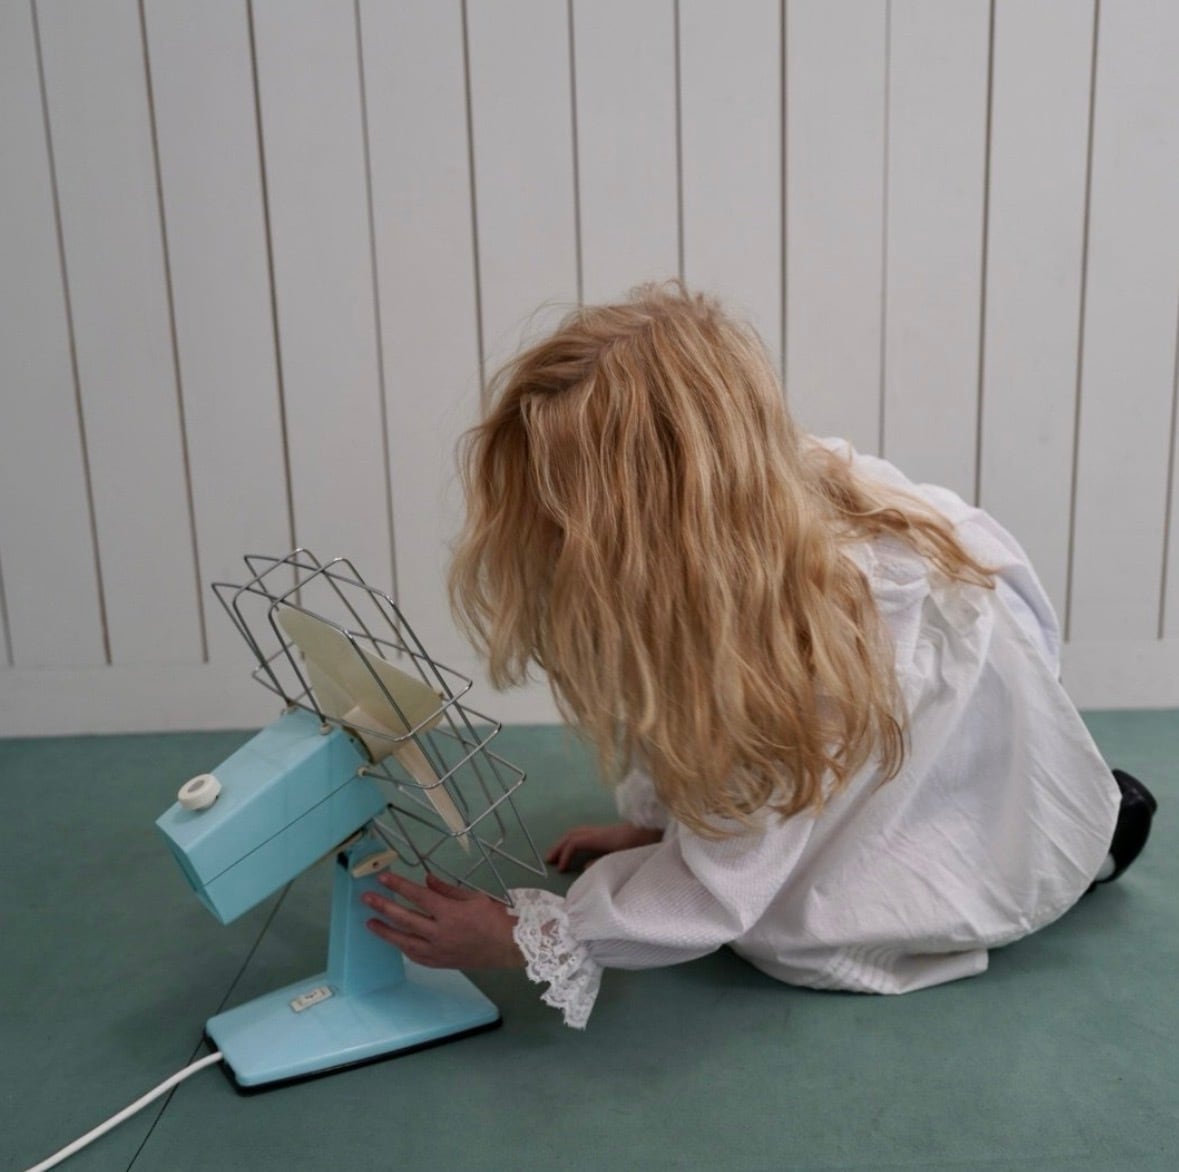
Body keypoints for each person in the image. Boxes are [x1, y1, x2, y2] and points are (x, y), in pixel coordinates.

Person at [360, 282, 1157, 1028]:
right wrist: (655, 825)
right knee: (785, 798)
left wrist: (527, 937)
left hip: (933, 738)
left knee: (813, 926)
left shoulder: (793, 642)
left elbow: (723, 887)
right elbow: (685, 720)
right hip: (898, 716)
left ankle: (1084, 831)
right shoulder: (738, 535)